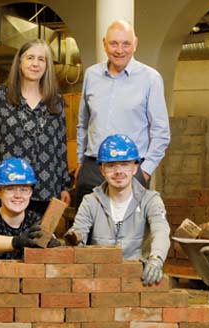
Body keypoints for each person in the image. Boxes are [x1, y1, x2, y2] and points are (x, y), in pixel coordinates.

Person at [75, 19, 170, 207]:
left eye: (126, 43)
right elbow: (83, 124)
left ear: (135, 44)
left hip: (131, 170)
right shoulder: (91, 75)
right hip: (93, 167)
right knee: (85, 231)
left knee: (128, 234)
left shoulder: (150, 78)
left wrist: (145, 170)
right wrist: (80, 162)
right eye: (114, 43)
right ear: (104, 43)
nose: (119, 50)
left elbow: (161, 132)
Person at [0, 38, 71, 215]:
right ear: (20, 61)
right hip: (8, 188)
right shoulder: (0, 96)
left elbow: (60, 148)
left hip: (47, 192)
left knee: (38, 241)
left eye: (41, 59)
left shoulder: (56, 101)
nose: (35, 64)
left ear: (47, 66)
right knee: (9, 241)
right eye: (30, 58)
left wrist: (64, 186)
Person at [65, 134, 170, 286]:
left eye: (124, 164)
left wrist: (156, 259)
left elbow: (161, 232)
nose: (118, 171)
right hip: (100, 281)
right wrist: (74, 240)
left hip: (140, 280)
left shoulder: (150, 200)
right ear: (102, 169)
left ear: (135, 167)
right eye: (111, 165)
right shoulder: (91, 201)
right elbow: (79, 232)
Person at [0, 157, 60, 274]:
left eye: (24, 189)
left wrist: (53, 247)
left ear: (31, 193)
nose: (18, 195)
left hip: (28, 287)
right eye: (10, 189)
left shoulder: (37, 220)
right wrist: (18, 242)